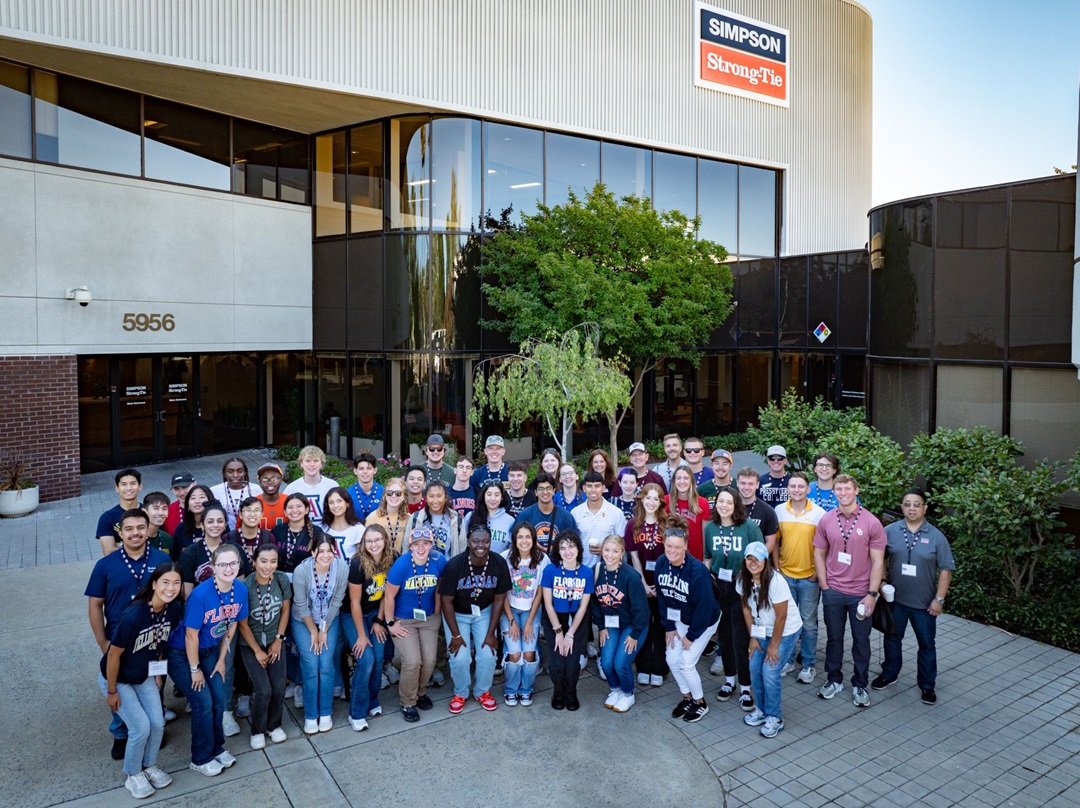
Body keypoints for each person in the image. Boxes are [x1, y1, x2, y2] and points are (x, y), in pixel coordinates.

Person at [86, 509, 172, 761]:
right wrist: (103, 642)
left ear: (148, 530)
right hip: (119, 642)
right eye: (129, 529)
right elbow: (94, 606)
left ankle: (152, 727)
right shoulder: (105, 565)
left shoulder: (161, 560)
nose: (135, 533)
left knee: (153, 684)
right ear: (120, 533)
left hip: (153, 642)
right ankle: (121, 733)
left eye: (140, 528)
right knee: (119, 687)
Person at [98, 562, 183, 799]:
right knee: (140, 727)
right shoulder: (134, 613)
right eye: (165, 582)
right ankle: (132, 774)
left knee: (157, 722)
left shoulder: (173, 609)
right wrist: (112, 691)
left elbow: (160, 644)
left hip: (143, 674)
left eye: (176, 583)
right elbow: (113, 655)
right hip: (117, 678)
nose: (171, 587)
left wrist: (157, 673)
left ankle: (149, 766)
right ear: (154, 584)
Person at [166, 543, 247, 777]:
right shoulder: (200, 594)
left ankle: (216, 749)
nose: (228, 568)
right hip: (183, 655)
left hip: (211, 651)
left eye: (233, 563)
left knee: (219, 699)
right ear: (213, 567)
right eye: (222, 564)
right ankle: (200, 758)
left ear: (239, 564)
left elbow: (231, 625)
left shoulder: (239, 590)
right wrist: (194, 669)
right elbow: (191, 635)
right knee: (203, 702)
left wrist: (222, 658)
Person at [871, 489, 954, 705]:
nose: (912, 508)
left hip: (924, 604)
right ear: (901, 507)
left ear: (925, 508)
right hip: (895, 600)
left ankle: (927, 685)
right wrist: (880, 583)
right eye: (907, 504)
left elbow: (946, 570)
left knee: (926, 645)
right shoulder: (889, 531)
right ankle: (889, 674)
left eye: (917, 504)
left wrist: (939, 599)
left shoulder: (936, 537)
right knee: (891, 639)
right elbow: (878, 559)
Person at [813, 474, 886, 708]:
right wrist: (824, 585)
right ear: (833, 492)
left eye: (847, 488)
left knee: (861, 641)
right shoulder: (826, 519)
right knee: (833, 639)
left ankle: (860, 684)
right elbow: (818, 553)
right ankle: (834, 680)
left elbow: (878, 562)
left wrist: (872, 594)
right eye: (838, 489)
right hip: (833, 590)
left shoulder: (871, 522)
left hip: (860, 594)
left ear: (857, 490)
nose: (843, 493)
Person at [439, 525, 512, 714]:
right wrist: (455, 635)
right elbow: (446, 602)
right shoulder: (455, 565)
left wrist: (491, 634)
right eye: (476, 541)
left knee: (488, 653)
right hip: (456, 614)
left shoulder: (498, 563)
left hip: (484, 612)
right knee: (460, 657)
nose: (481, 545)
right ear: (469, 542)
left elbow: (499, 599)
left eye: (485, 541)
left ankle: (482, 691)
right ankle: (461, 693)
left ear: (490, 542)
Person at [656, 520, 721, 723]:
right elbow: (662, 597)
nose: (672, 551)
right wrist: (668, 627)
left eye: (677, 546)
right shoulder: (661, 563)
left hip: (703, 622)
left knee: (685, 663)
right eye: (669, 546)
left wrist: (691, 636)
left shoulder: (697, 570)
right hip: (680, 617)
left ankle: (700, 702)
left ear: (685, 546)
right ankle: (688, 697)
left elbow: (705, 607)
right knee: (671, 659)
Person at [704, 489, 762, 710]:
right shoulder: (710, 528)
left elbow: (759, 559)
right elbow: (709, 557)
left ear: (736, 504)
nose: (724, 506)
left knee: (741, 639)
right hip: (720, 588)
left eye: (729, 502)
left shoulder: (749, 527)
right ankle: (729, 681)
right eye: (721, 501)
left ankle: (745, 687)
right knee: (725, 638)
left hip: (743, 588)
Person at [738, 541, 802, 738]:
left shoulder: (776, 581)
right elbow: (746, 609)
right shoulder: (742, 580)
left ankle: (775, 717)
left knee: (770, 670)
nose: (753, 562)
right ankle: (762, 710)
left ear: (765, 560)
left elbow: (781, 617)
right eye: (749, 558)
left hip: (785, 631)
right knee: (754, 667)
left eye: (758, 558)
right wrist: (753, 638)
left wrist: (774, 647)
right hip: (762, 630)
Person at [384, 527, 448, 722]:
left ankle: (420, 693)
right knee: (412, 661)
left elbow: (441, 585)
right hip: (404, 619)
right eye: (416, 544)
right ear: (410, 545)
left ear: (431, 544)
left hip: (429, 618)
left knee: (429, 661)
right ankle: (407, 702)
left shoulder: (439, 560)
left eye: (425, 543)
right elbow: (389, 595)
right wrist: (390, 623)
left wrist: (437, 609)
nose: (421, 548)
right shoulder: (401, 565)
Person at [236, 544, 292, 749]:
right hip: (251, 645)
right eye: (263, 561)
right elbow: (242, 623)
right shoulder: (244, 586)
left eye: (273, 561)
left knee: (278, 687)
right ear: (254, 561)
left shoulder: (281, 579)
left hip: (275, 641)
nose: (268, 566)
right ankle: (257, 729)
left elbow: (285, 611)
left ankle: (274, 725)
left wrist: (279, 639)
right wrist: (257, 650)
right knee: (263, 690)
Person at [291, 538, 348, 734]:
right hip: (303, 621)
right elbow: (300, 605)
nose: (325, 555)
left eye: (329, 551)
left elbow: (337, 600)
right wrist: (314, 631)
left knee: (325, 664)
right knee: (310, 665)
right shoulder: (302, 571)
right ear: (313, 552)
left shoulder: (341, 568)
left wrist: (323, 629)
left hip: (328, 620)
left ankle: (325, 712)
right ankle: (310, 715)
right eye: (320, 551)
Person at [343, 524, 396, 731]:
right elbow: (354, 603)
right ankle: (356, 712)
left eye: (377, 540)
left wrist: (379, 621)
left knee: (379, 657)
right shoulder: (357, 564)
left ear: (385, 541)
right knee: (366, 659)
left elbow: (387, 594)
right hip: (352, 614)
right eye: (369, 541)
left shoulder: (391, 558)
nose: (373, 544)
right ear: (364, 543)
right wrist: (362, 635)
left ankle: (372, 700)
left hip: (375, 613)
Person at [775, 472, 826, 684]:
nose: (796, 490)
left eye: (801, 486)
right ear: (788, 488)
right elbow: (775, 543)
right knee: (786, 622)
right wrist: (777, 568)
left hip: (808, 578)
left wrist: (817, 572)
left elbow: (825, 546)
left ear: (808, 489)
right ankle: (786, 661)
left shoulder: (819, 514)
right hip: (785, 576)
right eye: (793, 486)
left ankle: (808, 664)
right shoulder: (779, 511)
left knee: (808, 624)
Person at [593, 534, 649, 713]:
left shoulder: (631, 576)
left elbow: (642, 611)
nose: (610, 555)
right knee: (606, 663)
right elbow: (593, 602)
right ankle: (615, 690)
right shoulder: (597, 570)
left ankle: (627, 694)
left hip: (633, 625)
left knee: (621, 663)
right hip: (610, 623)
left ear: (622, 553)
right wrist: (601, 626)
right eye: (607, 550)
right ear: (601, 551)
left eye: (615, 551)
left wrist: (635, 635)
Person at [540, 530, 593, 711]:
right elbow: (547, 603)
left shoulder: (586, 573)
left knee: (571, 663)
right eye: (562, 548)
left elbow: (583, 607)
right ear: (558, 551)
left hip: (577, 620)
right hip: (555, 619)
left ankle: (571, 692)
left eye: (571, 546)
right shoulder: (550, 570)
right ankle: (558, 692)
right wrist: (558, 632)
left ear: (578, 547)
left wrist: (569, 634)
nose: (567, 551)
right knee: (556, 664)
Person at [626, 484, 672, 687]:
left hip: (663, 583)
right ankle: (644, 666)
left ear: (661, 502)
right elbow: (633, 558)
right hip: (641, 583)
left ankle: (659, 667)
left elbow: (672, 556)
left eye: (656, 499)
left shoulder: (667, 524)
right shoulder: (633, 525)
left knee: (660, 626)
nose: (651, 502)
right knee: (643, 623)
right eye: (648, 498)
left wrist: (659, 585)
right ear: (641, 499)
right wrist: (643, 583)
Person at [500, 523, 550, 706]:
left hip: (532, 610)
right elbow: (502, 592)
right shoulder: (504, 558)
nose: (524, 541)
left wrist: (530, 621)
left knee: (529, 653)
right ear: (514, 539)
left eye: (528, 537)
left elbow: (540, 592)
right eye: (520, 537)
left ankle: (526, 689)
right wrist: (511, 620)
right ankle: (511, 690)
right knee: (514, 653)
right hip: (509, 610)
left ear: (534, 539)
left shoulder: (542, 559)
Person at [179, 502, 252, 596]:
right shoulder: (190, 554)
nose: (215, 525)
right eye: (210, 521)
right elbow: (187, 595)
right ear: (202, 525)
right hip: (201, 606)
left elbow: (240, 587)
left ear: (225, 525)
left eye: (220, 521)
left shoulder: (236, 550)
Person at [572, 471, 628, 570]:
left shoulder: (616, 512)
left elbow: (622, 542)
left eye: (597, 486)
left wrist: (605, 549)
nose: (593, 490)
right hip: (582, 569)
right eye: (589, 486)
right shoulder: (576, 513)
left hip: (609, 568)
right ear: (584, 488)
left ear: (603, 488)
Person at [510, 472, 576, 555]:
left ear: (553, 491)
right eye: (541, 489)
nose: (545, 492)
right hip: (532, 564)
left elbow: (574, 544)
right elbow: (514, 541)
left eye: (548, 488)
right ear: (535, 492)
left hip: (557, 564)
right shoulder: (525, 515)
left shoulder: (565, 516)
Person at [403, 479, 465, 556]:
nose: (435, 501)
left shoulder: (456, 519)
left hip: (447, 566)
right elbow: (406, 548)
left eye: (439, 496)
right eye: (431, 496)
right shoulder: (416, 518)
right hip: (422, 566)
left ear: (445, 497)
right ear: (426, 498)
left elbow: (462, 550)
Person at [270, 493, 322, 575]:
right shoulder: (277, 531)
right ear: (285, 512)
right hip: (279, 579)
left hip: (305, 581)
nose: (294, 510)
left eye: (299, 506)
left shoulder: (317, 532)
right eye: (290, 507)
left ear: (307, 510)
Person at [283, 445, 337, 523]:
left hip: (327, 533)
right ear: (301, 463)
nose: (312, 464)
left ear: (321, 463)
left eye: (315, 461)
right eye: (308, 461)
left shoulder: (332, 486)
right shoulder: (292, 488)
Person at [665, 466, 709, 561]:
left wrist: (706, 560)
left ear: (691, 481)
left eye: (686, 478)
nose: (682, 482)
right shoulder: (666, 501)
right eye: (678, 478)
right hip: (672, 556)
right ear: (673, 481)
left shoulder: (702, 503)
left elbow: (705, 535)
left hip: (696, 557)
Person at [97, 468, 144, 555]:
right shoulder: (107, 517)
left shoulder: (148, 512)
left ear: (140, 486)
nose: (129, 488)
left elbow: (155, 543)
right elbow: (109, 552)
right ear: (117, 488)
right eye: (124, 484)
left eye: (133, 483)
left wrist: (119, 544)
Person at [210, 457, 263, 530]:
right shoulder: (214, 491)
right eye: (230, 472)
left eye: (240, 471)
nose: (235, 475)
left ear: (245, 473)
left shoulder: (255, 489)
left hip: (250, 531)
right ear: (225, 474)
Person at [464, 480, 514, 554]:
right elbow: (462, 545)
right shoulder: (470, 516)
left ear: (502, 497)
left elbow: (511, 549)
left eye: (497, 495)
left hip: (499, 564)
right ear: (483, 496)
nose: (493, 499)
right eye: (489, 494)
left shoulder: (510, 521)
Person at [736, 467, 779, 551]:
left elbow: (770, 543)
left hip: (756, 561)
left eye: (751, 484)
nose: (746, 487)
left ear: (757, 485)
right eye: (743, 483)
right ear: (737, 483)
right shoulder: (729, 507)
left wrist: (756, 559)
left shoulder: (768, 511)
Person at [365, 477, 409, 558]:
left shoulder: (408, 518)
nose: (394, 496)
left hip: (401, 562)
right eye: (389, 493)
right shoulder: (373, 517)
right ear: (384, 495)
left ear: (404, 496)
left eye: (398, 493)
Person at [227, 496, 275, 566]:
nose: (252, 514)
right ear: (240, 514)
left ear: (262, 514)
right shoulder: (229, 538)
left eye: (256, 510)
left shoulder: (269, 538)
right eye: (248, 510)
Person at [171, 484, 214, 560]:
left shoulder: (218, 525)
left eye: (202, 497)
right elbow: (176, 558)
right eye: (193, 498)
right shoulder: (181, 529)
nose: (197, 501)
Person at [322, 486, 366, 559]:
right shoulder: (323, 529)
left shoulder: (358, 529)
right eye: (331, 502)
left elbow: (362, 560)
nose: (335, 505)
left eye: (339, 501)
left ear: (347, 503)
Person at [347, 452, 385, 523]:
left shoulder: (384, 493)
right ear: (355, 471)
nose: (365, 472)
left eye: (369, 468)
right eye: (361, 469)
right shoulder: (347, 493)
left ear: (375, 470)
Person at [697, 449, 736, 514]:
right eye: (716, 463)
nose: (720, 467)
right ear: (712, 465)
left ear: (730, 466)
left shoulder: (739, 486)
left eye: (725, 463)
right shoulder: (702, 489)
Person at [256, 463, 288, 531]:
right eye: (265, 480)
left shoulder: (289, 502)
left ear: (281, 480)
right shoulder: (252, 503)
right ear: (259, 482)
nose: (270, 482)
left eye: (274, 479)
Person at [141, 491, 174, 556]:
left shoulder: (167, 539)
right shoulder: (136, 537)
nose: (161, 513)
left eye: (164, 509)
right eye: (156, 508)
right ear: (144, 512)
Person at [164, 472, 196, 537]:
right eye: (176, 489)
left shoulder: (206, 507)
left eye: (184, 487)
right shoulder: (167, 511)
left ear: (195, 485)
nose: (181, 493)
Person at [448, 456, 478, 521]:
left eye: (468, 468)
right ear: (455, 470)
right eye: (461, 467)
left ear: (472, 472)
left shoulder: (478, 493)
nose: (464, 470)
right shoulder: (445, 493)